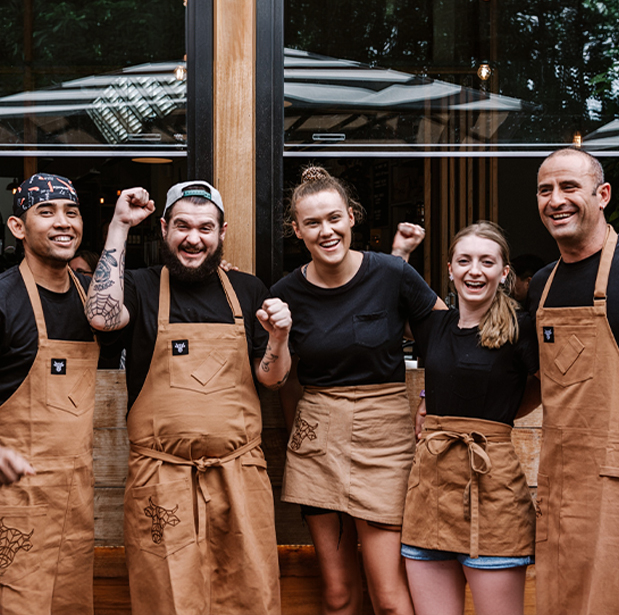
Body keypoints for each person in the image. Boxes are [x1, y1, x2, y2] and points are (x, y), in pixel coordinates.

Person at [85, 181, 291, 615]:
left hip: (239, 474)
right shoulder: (139, 287)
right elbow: (101, 318)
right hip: (161, 478)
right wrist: (119, 226)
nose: (193, 238)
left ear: (222, 232)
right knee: (167, 599)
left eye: (205, 228)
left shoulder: (248, 289)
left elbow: (271, 380)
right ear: (163, 228)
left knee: (251, 596)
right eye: (182, 226)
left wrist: (279, 339)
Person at [271, 166, 443, 615]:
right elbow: (284, 379)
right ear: (297, 230)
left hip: (383, 436)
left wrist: (430, 400)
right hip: (316, 440)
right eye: (312, 223)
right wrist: (298, 435)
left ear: (351, 217)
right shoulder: (286, 292)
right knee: (337, 593)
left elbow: (445, 337)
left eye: (334, 218)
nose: (325, 231)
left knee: (388, 597)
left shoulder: (392, 273)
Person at [400, 221, 539, 615]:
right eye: (464, 260)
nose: (474, 270)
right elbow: (388, 285)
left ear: (504, 272)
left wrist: (499, 416)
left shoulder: (521, 327)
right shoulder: (434, 325)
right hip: (431, 486)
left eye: (486, 262)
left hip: (492, 487)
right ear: (450, 269)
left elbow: (546, 385)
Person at [0, 172, 99, 614]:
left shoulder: (94, 303)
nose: (64, 222)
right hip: (12, 501)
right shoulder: (3, 299)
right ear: (18, 227)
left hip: (73, 503)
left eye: (71, 212)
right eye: (47, 212)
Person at [528, 147, 619, 615]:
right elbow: (525, 383)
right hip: (562, 483)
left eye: (569, 187)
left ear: (602, 195)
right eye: (546, 190)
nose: (556, 200)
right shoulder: (542, 284)